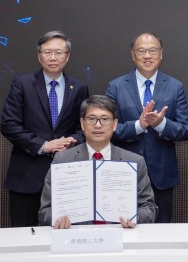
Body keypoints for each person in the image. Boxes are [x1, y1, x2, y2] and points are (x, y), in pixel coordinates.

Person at [0, 31, 89, 227]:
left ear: (68, 55)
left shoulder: (79, 88)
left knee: (66, 234)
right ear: (39, 55)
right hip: (27, 176)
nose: (53, 57)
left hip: (67, 176)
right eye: (47, 52)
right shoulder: (22, 84)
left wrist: (70, 141)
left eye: (59, 52)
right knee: (24, 237)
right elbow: (9, 125)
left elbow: (84, 127)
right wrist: (44, 145)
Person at [105, 32, 188, 223]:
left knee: (161, 233)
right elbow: (106, 130)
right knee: (122, 228)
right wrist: (139, 125)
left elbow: (185, 131)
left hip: (161, 174)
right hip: (123, 173)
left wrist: (160, 124)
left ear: (161, 54)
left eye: (152, 50)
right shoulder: (116, 87)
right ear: (132, 54)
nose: (147, 56)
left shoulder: (175, 86)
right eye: (142, 51)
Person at [39, 95, 158, 228]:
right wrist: (57, 220)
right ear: (83, 124)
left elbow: (149, 207)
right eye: (91, 119)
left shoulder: (134, 161)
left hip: (121, 236)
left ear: (114, 125)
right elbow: (45, 211)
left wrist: (135, 218)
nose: (98, 125)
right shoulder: (62, 160)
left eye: (105, 119)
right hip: (75, 238)